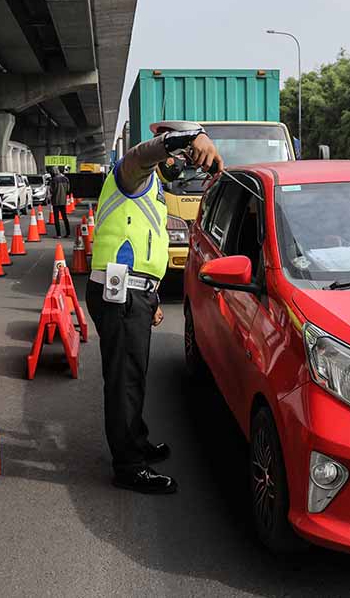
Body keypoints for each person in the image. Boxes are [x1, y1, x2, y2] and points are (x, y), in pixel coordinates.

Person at [86, 120, 223, 495]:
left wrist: (154, 297)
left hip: (134, 293)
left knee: (133, 374)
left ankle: (136, 439)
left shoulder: (152, 191)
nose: (179, 164)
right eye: (177, 156)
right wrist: (190, 137)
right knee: (124, 381)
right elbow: (144, 154)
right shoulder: (131, 174)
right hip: (121, 293)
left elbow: (146, 245)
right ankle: (129, 465)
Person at [48, 167, 71, 238]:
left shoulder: (54, 180)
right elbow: (68, 190)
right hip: (63, 201)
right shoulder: (66, 179)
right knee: (65, 217)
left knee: (56, 218)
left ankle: (58, 234)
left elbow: (52, 190)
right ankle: (68, 233)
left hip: (56, 201)